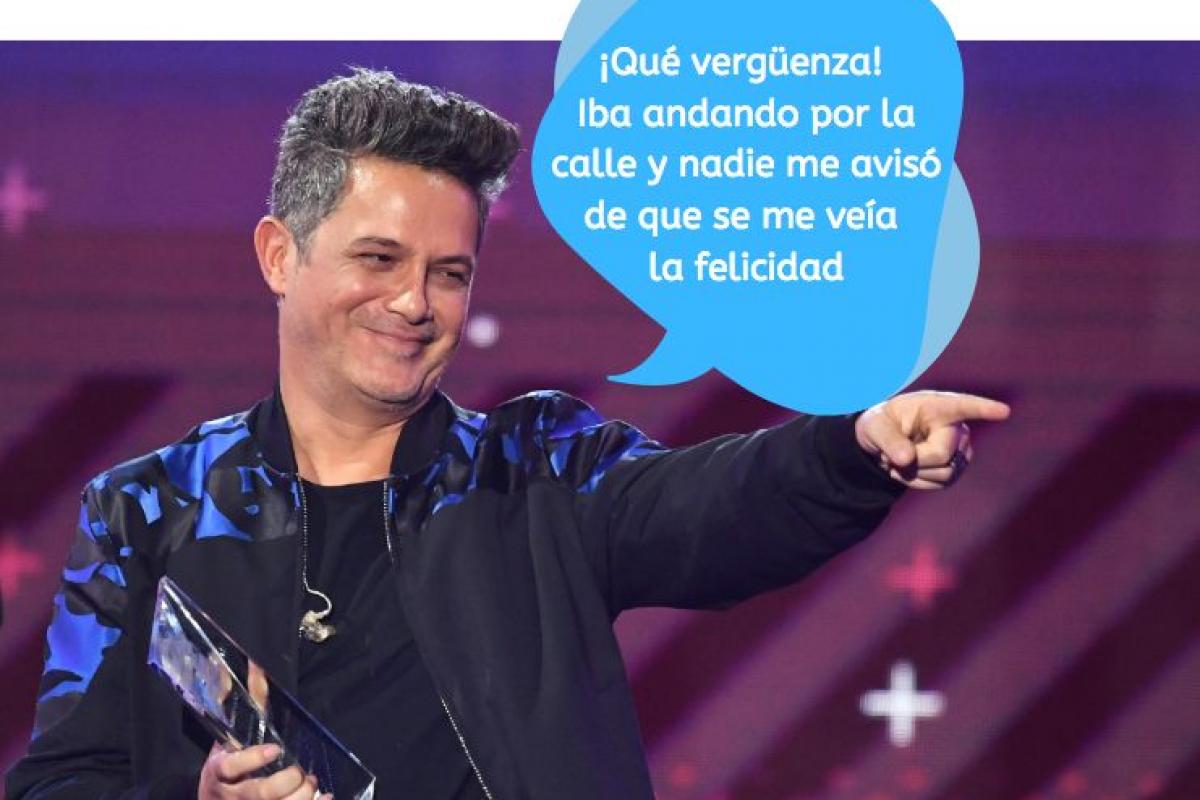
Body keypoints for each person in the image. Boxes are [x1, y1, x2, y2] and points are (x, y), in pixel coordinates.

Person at [5, 68, 1009, 800]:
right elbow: (58, 783)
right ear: (279, 254)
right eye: (379, 259)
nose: (414, 302)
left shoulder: (538, 472)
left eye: (449, 272)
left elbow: (716, 506)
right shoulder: (148, 510)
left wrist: (852, 447)